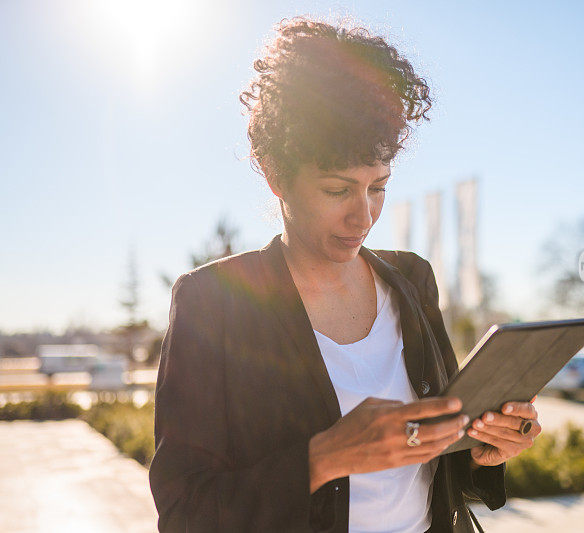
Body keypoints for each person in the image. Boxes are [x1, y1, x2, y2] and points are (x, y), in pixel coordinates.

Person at [148, 16, 541, 533]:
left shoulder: (411, 279)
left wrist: (485, 449)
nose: (364, 216)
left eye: (378, 186)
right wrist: (324, 458)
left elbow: (440, 456)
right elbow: (185, 513)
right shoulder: (214, 301)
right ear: (274, 175)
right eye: (337, 190)